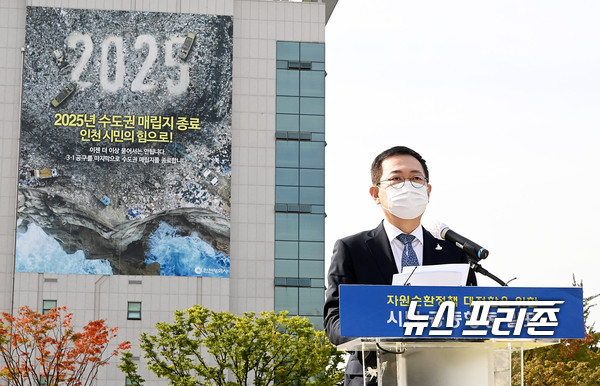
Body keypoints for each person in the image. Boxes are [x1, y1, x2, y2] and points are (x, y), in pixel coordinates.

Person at [323, 145, 477, 385]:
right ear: (376, 193)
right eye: (396, 179)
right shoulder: (352, 249)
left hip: (441, 374)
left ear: (428, 190)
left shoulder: (453, 253)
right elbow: (334, 322)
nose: (408, 185)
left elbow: (470, 317)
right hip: (372, 376)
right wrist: (383, 332)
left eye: (416, 178)